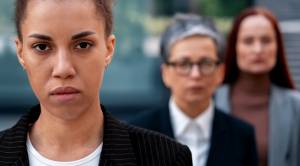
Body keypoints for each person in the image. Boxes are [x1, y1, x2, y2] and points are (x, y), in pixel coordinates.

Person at [0, 0, 192, 165]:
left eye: (83, 45)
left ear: (108, 49)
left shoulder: (167, 158)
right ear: (21, 53)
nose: (63, 69)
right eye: (41, 47)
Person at [130, 13, 258, 166]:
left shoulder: (242, 135)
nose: (196, 74)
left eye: (206, 63)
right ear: (165, 73)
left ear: (221, 72)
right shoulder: (135, 134)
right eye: (184, 64)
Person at [214, 7, 300, 166]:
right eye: (248, 41)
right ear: (234, 47)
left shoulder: (298, 108)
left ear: (278, 46)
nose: (257, 50)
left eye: (266, 40)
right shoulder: (210, 101)